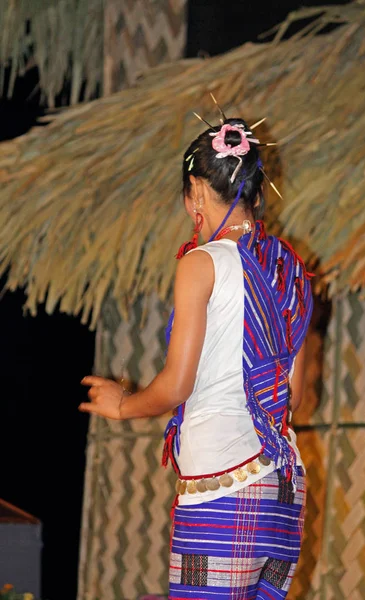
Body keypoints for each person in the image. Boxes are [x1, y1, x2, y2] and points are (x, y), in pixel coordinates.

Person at [80, 115, 313, 599]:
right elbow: (300, 397)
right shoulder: (288, 268)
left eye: (189, 196)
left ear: (198, 191)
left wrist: (123, 405)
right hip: (281, 490)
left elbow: (177, 385)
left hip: (222, 489)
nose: (191, 209)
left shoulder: (200, 263)